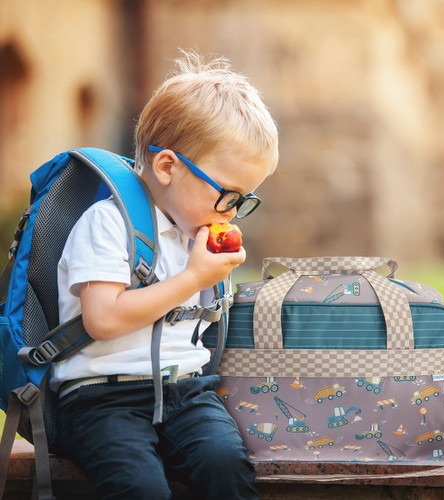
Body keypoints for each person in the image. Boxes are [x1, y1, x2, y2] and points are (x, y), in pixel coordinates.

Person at [52, 49, 279, 499]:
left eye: (243, 201)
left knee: (226, 467)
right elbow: (103, 319)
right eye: (229, 196)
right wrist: (193, 279)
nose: (232, 214)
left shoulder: (194, 234)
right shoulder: (110, 222)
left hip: (186, 392)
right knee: (140, 487)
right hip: (103, 398)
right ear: (168, 167)